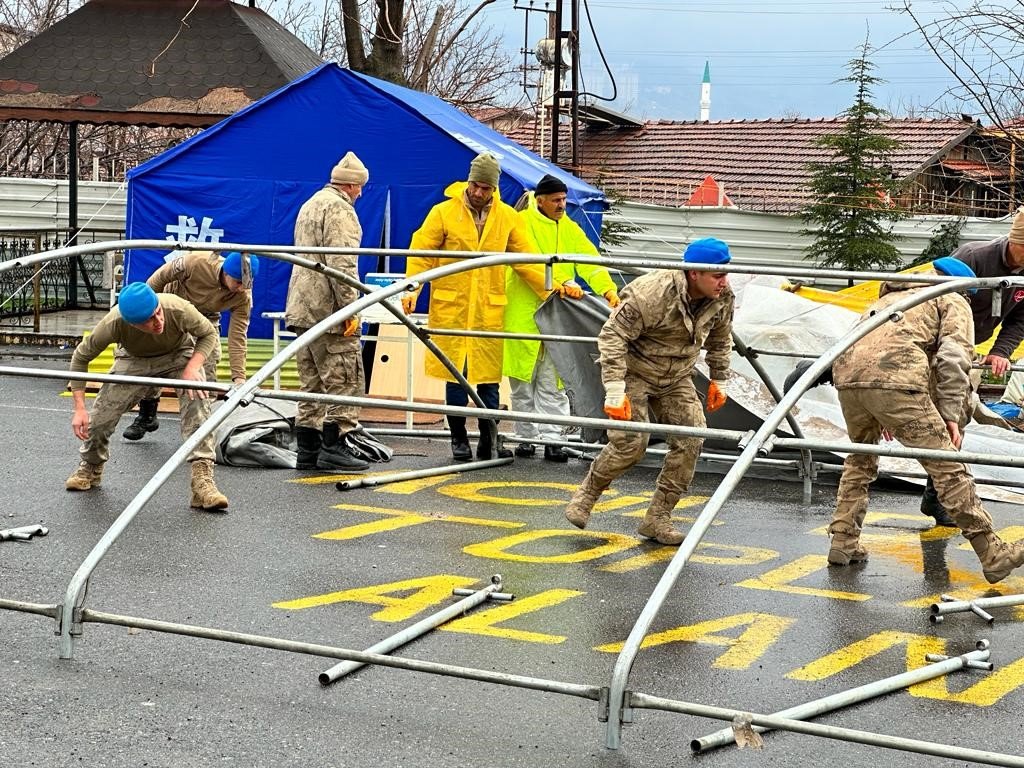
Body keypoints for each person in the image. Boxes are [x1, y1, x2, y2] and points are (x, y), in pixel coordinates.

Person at [786, 206, 1024, 527]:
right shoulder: (974, 257)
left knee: (957, 417)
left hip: (962, 344)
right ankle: (827, 365)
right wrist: (894, 396)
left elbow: (1020, 319)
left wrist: (1001, 351)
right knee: (939, 411)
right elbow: (924, 299)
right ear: (1015, 240)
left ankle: (936, 497)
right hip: (927, 341)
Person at [826, 258, 1024, 583]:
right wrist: (950, 415)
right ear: (966, 290)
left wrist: (881, 408)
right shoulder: (952, 298)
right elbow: (953, 358)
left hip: (848, 379)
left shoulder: (890, 298)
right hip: (897, 380)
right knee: (947, 466)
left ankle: (843, 541)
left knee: (860, 459)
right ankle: (992, 553)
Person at [402, 152, 577, 462]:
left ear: (494, 188)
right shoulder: (443, 212)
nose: (478, 192)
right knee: (456, 374)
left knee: (488, 379)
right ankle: (458, 438)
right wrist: (412, 287)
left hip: (488, 309)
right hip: (454, 307)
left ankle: (489, 438)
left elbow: (528, 261)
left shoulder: (507, 217)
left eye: (485, 188)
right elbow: (422, 251)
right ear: (468, 182)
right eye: (475, 185)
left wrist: (553, 287)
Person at [563, 237, 734, 545]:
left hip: (677, 376)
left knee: (691, 439)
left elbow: (721, 338)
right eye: (717, 275)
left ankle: (658, 518)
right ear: (694, 273)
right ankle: (587, 494)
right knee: (630, 444)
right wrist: (615, 388)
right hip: (634, 372)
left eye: (725, 274)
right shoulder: (650, 293)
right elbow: (612, 336)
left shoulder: (722, 296)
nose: (724, 281)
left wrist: (719, 379)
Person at [65, 282, 229, 510]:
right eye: (149, 320)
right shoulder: (114, 323)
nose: (158, 321)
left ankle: (203, 482)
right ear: (132, 323)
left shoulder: (177, 307)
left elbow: (208, 334)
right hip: (134, 360)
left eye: (158, 313)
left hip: (179, 355)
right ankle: (91, 467)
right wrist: (80, 408)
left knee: (197, 399)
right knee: (101, 417)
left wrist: (193, 366)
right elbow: (81, 357)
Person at [286, 151, 392, 473]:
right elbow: (342, 265)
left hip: (301, 306)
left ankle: (308, 449)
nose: (360, 194)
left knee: (312, 383)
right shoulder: (341, 210)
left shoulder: (309, 204)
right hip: (328, 309)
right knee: (344, 378)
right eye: (360, 188)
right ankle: (336, 445)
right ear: (352, 185)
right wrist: (350, 310)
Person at [504, 173, 620, 463]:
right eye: (556, 200)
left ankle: (553, 439)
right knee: (522, 383)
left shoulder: (569, 228)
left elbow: (589, 261)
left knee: (553, 382)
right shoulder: (521, 223)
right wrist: (560, 285)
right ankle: (526, 438)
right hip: (523, 313)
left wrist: (607, 289)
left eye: (564, 199)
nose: (562, 205)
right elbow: (526, 265)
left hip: (558, 315)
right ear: (540, 200)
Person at [122, 249, 258, 441]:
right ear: (226, 272)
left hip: (206, 320)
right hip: (172, 311)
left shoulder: (243, 295)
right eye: (238, 282)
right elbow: (159, 278)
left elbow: (238, 336)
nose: (241, 288)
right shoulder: (195, 263)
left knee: (207, 369)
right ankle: (147, 414)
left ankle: (202, 433)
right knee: (154, 358)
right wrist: (149, 312)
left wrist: (239, 378)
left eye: (247, 284)